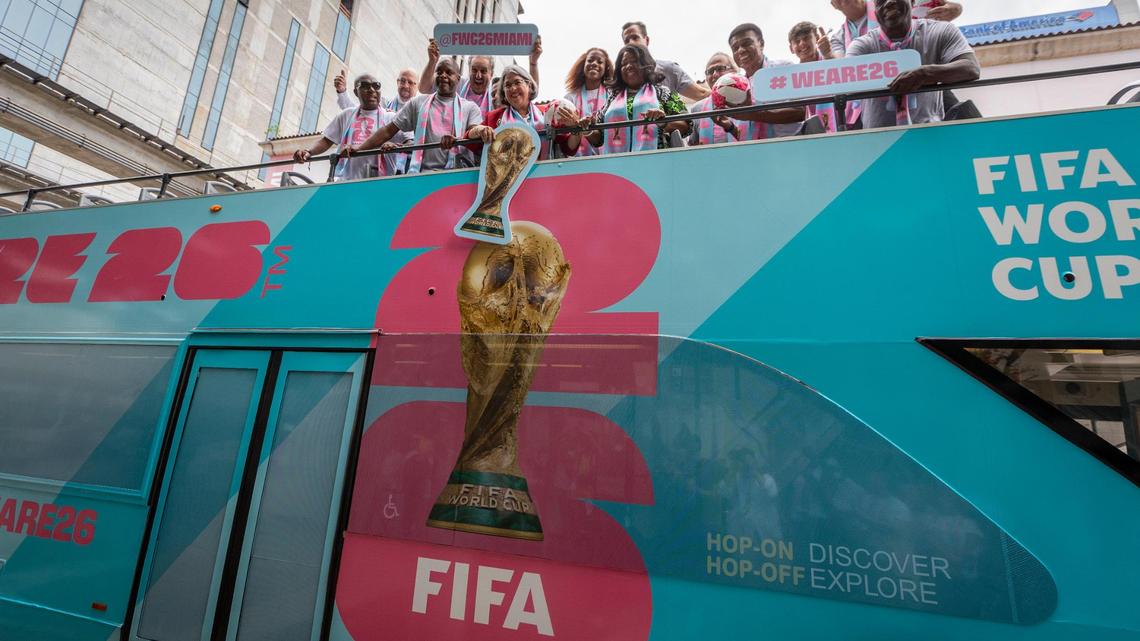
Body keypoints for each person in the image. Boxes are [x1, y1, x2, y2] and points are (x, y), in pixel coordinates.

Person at [845, 0, 980, 129]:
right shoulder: (861, 46)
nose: (889, 2)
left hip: (931, 134)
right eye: (881, 0)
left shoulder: (940, 31)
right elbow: (844, 81)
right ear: (875, 12)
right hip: (880, 139)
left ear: (913, 1)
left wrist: (924, 74)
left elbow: (971, 67)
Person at [349, 59, 491, 172]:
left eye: (449, 72)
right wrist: (359, 148)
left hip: (455, 179)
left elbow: (474, 134)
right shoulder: (417, 102)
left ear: (458, 79)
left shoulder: (470, 108)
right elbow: (387, 131)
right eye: (439, 72)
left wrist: (460, 139)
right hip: (421, 176)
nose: (443, 75)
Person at [583, 44, 689, 155]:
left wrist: (663, 122)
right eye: (624, 64)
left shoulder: (663, 92)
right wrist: (587, 128)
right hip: (617, 164)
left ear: (646, 64)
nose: (628, 66)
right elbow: (599, 138)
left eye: (634, 61)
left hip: (657, 160)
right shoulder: (612, 98)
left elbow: (686, 126)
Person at [295, 74, 398, 179]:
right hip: (346, 180)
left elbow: (406, 143)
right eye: (365, 86)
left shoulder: (391, 118)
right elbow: (327, 140)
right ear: (356, 92)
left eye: (376, 86)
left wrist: (393, 146)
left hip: (380, 182)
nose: (371, 90)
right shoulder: (346, 115)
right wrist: (308, 152)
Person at [418, 36, 544, 118]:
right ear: (468, 70)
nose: (478, 75)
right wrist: (432, 61)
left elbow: (529, 92)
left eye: (483, 71)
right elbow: (424, 88)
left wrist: (533, 63)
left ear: (491, 73)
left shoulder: (497, 90)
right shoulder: (458, 83)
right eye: (474, 70)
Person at [479, 65, 579, 160]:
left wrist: (575, 128)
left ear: (529, 85)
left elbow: (569, 148)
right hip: (508, 172)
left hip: (544, 170)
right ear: (504, 92)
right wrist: (478, 130)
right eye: (507, 85)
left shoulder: (548, 112)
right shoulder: (494, 117)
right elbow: (474, 144)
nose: (513, 88)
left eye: (517, 82)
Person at [726, 23, 805, 138]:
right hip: (751, 148)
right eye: (735, 48)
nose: (741, 50)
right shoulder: (737, 86)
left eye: (746, 43)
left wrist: (753, 114)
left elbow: (801, 112)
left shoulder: (783, 68)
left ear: (761, 43)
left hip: (789, 145)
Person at [829, 0, 963, 58]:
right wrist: (828, 54)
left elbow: (933, 7)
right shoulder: (838, 37)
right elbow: (842, 68)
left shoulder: (892, 4)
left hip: (920, 74)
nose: (888, 3)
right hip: (870, 91)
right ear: (833, 4)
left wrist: (956, 8)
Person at [620, 21, 709, 101]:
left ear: (646, 40)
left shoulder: (668, 69)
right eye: (626, 40)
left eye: (635, 37)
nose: (630, 43)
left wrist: (718, 89)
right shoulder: (621, 76)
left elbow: (701, 94)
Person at [561, 47, 613, 156]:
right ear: (583, 65)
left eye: (600, 62)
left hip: (608, 157)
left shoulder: (612, 96)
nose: (594, 63)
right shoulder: (570, 98)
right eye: (590, 60)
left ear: (606, 69)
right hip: (578, 160)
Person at [788, 22, 839, 133]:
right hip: (808, 132)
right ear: (791, 48)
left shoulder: (829, 60)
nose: (802, 44)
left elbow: (841, 74)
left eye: (806, 38)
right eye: (797, 41)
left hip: (841, 125)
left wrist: (828, 54)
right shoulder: (791, 76)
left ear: (817, 38)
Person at [688, 53, 747, 146]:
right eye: (710, 71)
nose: (714, 74)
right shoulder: (698, 109)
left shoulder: (748, 100)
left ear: (735, 71)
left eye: (720, 69)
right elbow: (694, 145)